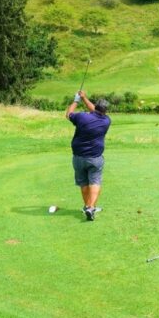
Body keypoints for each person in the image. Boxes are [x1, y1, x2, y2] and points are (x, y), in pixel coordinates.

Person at [66, 90, 111, 221]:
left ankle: (87, 207)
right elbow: (96, 111)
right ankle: (91, 208)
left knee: (84, 183)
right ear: (105, 111)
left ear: (96, 107)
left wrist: (77, 100)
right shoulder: (106, 121)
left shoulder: (82, 117)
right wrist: (85, 98)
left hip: (78, 157)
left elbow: (68, 114)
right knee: (95, 182)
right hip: (95, 158)